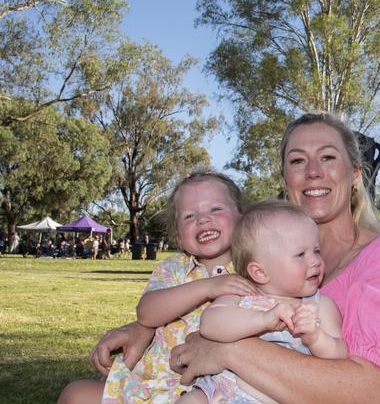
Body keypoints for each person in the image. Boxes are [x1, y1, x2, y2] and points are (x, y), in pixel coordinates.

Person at [78, 112, 380, 404]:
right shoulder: (262, 254)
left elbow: (373, 393)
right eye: (298, 161)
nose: (313, 171)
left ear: (356, 175)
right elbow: (207, 280)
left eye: (328, 157)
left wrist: (230, 350)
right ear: (286, 179)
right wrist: (145, 327)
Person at [58, 171, 259, 403]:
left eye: (215, 209)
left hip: (213, 393)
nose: (203, 220)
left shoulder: (256, 269)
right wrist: (208, 287)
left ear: (243, 218)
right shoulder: (174, 268)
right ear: (180, 238)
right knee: (76, 394)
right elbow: (146, 313)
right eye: (189, 216)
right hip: (149, 388)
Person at [179, 200, 347, 404]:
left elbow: (340, 354)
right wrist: (263, 319)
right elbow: (210, 325)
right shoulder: (243, 295)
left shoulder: (320, 306)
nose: (315, 261)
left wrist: (316, 338)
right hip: (221, 389)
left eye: (317, 251)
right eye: (300, 254)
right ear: (259, 272)